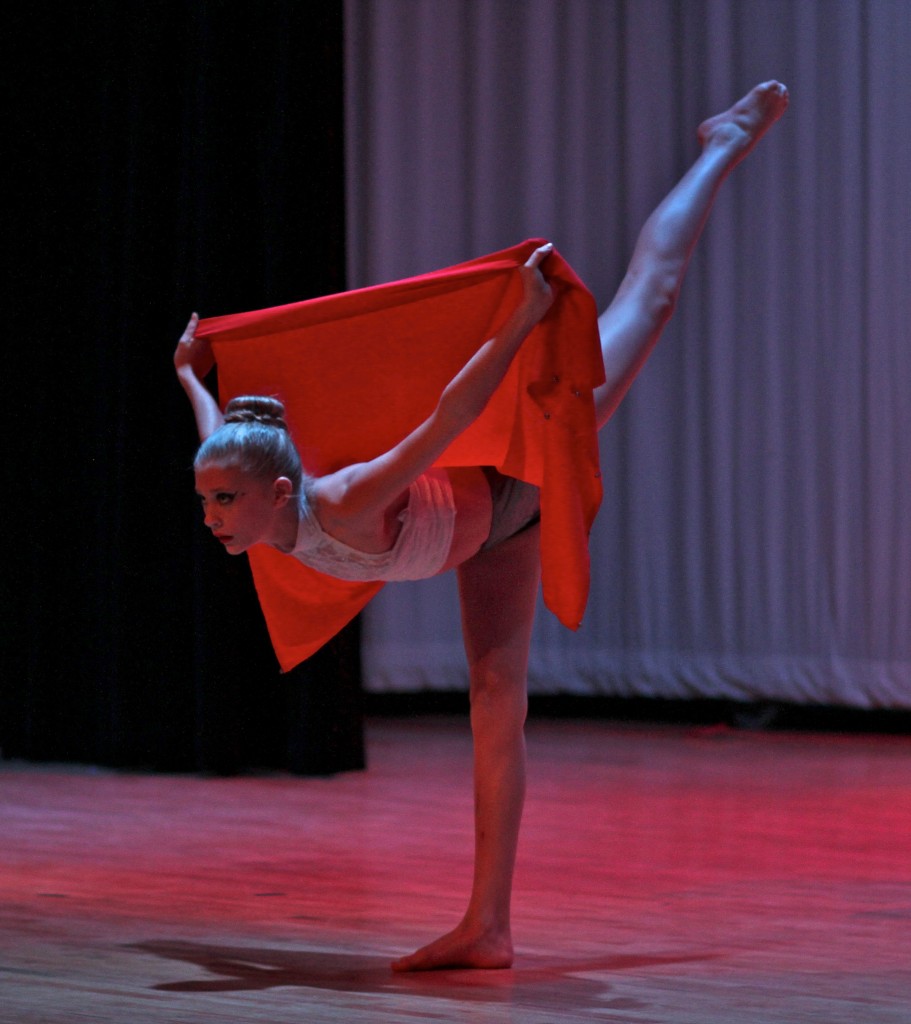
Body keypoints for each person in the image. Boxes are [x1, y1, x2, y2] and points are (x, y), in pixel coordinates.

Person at [174, 81, 788, 971]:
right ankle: (488, 928)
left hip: (513, 475)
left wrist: (522, 321)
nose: (211, 519)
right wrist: (192, 375)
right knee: (495, 708)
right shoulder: (251, 477)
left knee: (644, 299)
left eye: (225, 502)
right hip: (485, 535)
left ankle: (722, 143)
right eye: (206, 503)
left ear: (277, 491)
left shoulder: (343, 496)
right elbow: (214, 440)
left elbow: (446, 421)